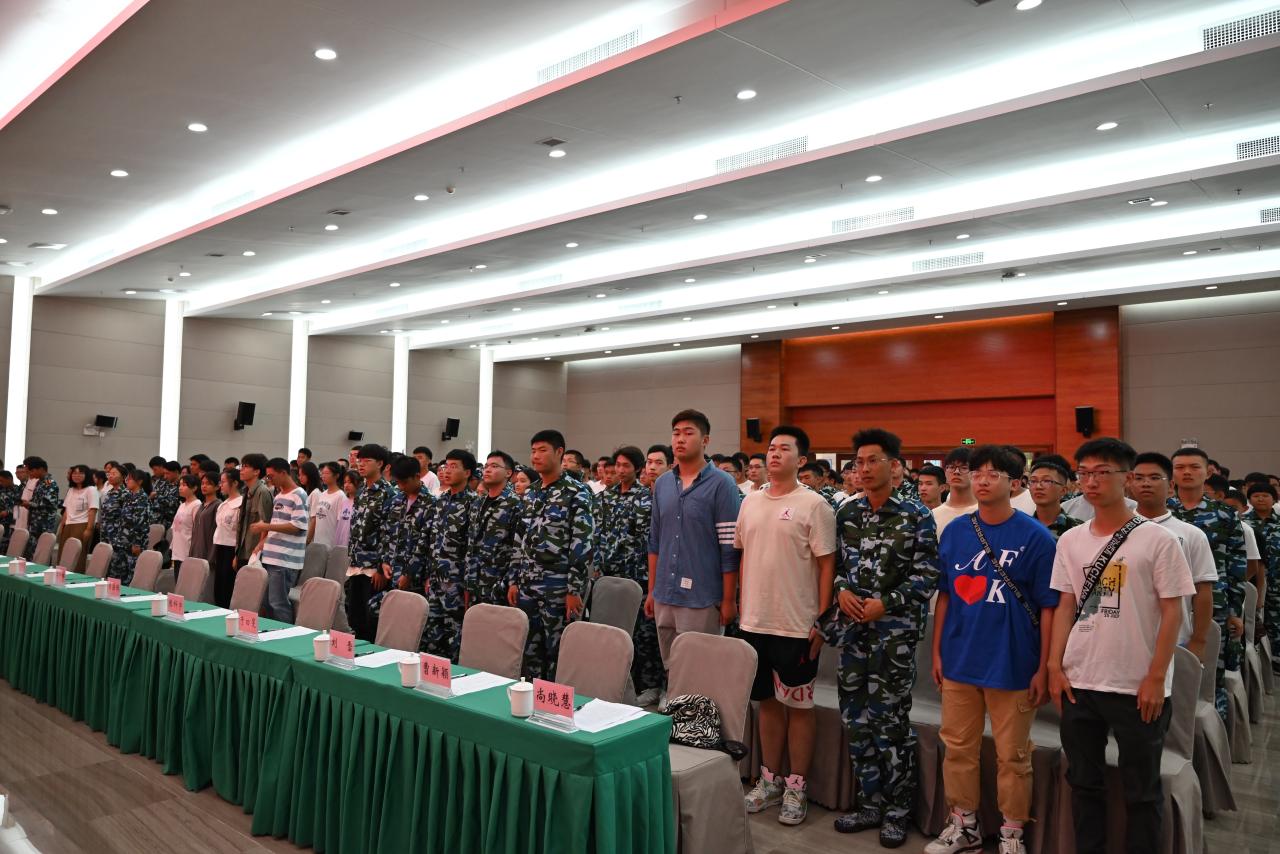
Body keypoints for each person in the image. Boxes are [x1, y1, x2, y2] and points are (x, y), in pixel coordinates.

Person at [1047, 438, 1193, 854]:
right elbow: (1065, 605)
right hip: (1081, 680)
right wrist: (1055, 666)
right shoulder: (1070, 540)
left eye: (1102, 473)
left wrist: (1156, 677)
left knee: (1141, 790)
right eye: (1084, 473)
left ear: (1126, 478)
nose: (1091, 482)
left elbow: (1173, 612)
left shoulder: (1158, 540)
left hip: (1136, 684)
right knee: (1083, 783)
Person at [927, 445, 1057, 854]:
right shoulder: (956, 531)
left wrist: (1044, 667)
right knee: (958, 749)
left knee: (1013, 756)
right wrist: (937, 652)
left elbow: (1049, 608)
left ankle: (1011, 833)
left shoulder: (1037, 537)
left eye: (993, 474)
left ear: (1015, 484)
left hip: (1013, 663)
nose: (982, 480)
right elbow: (946, 595)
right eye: (977, 472)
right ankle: (963, 824)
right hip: (960, 660)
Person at [831, 428, 939, 848]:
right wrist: (842, 589)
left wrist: (888, 602)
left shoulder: (916, 515)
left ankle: (898, 810)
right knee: (855, 721)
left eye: (872, 460)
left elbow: (927, 575)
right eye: (858, 462)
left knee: (890, 723)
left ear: (894, 466)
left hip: (894, 637)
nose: (863, 469)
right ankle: (869, 803)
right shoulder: (848, 513)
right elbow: (839, 564)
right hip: (853, 632)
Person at [738, 425, 835, 827]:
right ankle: (770, 780)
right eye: (771, 448)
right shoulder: (750, 502)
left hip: (797, 625)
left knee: (799, 706)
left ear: (801, 459)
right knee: (767, 703)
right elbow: (743, 555)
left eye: (784, 449)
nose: (774, 454)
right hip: (754, 621)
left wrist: (822, 620)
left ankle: (797, 785)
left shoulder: (815, 505)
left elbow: (827, 565)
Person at [645, 410, 741, 671]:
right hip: (665, 593)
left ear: (705, 440)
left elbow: (730, 547)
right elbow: (655, 541)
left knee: (701, 671)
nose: (680, 439)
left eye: (688, 433)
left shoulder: (722, 484)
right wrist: (652, 590)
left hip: (702, 596)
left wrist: (729, 599)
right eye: (676, 433)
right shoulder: (663, 483)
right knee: (672, 668)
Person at [508, 430, 596, 679]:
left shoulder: (577, 492)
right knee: (530, 650)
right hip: (528, 585)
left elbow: (582, 542)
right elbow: (520, 538)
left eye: (542, 450)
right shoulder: (531, 492)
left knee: (558, 651)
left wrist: (574, 589)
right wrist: (514, 579)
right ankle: (532, 695)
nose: (535, 456)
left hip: (558, 588)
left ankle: (555, 699)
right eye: (533, 451)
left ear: (559, 452)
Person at [1168, 446, 1245, 720]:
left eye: (1194, 467)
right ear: (1172, 474)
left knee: (1211, 672)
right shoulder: (1163, 512)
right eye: (1180, 467)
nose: (1187, 472)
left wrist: (1236, 610)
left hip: (1215, 603)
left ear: (1207, 472)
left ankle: (1212, 731)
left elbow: (1236, 564)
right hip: (1169, 602)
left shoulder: (1225, 514)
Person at [597, 445, 662, 704]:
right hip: (610, 575)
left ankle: (649, 684)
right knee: (613, 629)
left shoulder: (647, 498)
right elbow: (597, 533)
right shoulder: (605, 497)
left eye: (626, 466)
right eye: (618, 465)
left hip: (638, 575)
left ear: (637, 468)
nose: (621, 470)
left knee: (642, 634)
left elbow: (649, 540)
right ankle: (615, 681)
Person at [425, 449, 477, 660]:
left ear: (468, 473)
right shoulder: (441, 500)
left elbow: (472, 548)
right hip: (436, 579)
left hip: (456, 582)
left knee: (455, 636)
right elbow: (433, 540)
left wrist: (468, 585)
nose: (447, 470)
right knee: (432, 634)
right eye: (446, 466)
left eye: (454, 466)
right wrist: (429, 574)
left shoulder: (474, 503)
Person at [346, 444, 396, 641]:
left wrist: (381, 567)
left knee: (371, 619)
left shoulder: (388, 493)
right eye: (360, 461)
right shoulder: (361, 491)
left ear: (380, 464)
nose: (361, 465)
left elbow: (389, 533)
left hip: (374, 568)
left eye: (367, 461)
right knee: (354, 616)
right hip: (356, 565)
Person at [250, 458, 309, 623]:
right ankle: (271, 633)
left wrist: (265, 526)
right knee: (266, 603)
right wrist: (262, 543)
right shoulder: (279, 496)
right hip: (271, 556)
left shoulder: (299, 495)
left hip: (285, 559)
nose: (269, 480)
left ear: (283, 473)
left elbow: (297, 526)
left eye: (271, 476)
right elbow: (276, 525)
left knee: (278, 603)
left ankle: (284, 635)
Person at [466, 450, 522, 607]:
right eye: (486, 466)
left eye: (494, 466)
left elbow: (518, 548)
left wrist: (512, 582)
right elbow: (471, 545)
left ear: (508, 473)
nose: (488, 470)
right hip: (474, 582)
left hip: (499, 585)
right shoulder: (477, 503)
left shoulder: (515, 504)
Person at [383, 453, 433, 606]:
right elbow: (387, 532)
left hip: (415, 576)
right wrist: (385, 561)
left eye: (404, 482)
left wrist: (409, 574)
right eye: (397, 482)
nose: (401, 487)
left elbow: (424, 544)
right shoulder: (397, 500)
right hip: (392, 570)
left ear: (417, 476)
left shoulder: (431, 503)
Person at [1242, 483, 1279, 655]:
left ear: (1274, 499)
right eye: (1256, 496)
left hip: (1277, 581)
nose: (1261, 499)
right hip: (1253, 580)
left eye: (1265, 495)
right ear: (1249, 500)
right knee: (1254, 622)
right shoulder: (1243, 523)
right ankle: (1257, 658)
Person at [105, 468, 151, 584]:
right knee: (117, 573)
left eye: (130, 479)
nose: (127, 481)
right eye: (127, 479)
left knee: (131, 575)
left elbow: (141, 524)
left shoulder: (142, 498)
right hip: (122, 541)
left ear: (139, 481)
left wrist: (137, 543)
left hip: (133, 544)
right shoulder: (129, 497)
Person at [1027, 457, 1082, 540]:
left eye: (1047, 481)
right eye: (1033, 481)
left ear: (1063, 490)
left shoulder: (1078, 529)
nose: (1038, 486)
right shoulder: (1022, 526)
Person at [237, 454, 275, 570]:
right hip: (243, 550)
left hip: (254, 553)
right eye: (242, 466)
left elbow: (266, 524)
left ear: (256, 472)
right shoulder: (246, 491)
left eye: (245, 466)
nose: (241, 469)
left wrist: (257, 550)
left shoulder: (262, 492)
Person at [58, 465, 98, 572]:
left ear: (87, 475)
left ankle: (76, 576)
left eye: (80, 473)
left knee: (77, 555)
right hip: (68, 524)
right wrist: (62, 526)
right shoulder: (71, 490)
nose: (76, 475)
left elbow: (93, 510)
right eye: (74, 473)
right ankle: (61, 576)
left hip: (82, 525)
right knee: (64, 553)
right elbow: (66, 510)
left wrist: (89, 529)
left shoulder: (91, 490)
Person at [212, 470, 243, 607]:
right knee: (218, 584)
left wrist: (237, 554)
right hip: (220, 546)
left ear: (235, 483)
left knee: (228, 585)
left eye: (223, 482)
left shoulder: (241, 503)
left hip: (232, 549)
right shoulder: (223, 504)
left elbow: (240, 532)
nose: (221, 485)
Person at [932, 448, 978, 538]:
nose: (956, 472)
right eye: (951, 467)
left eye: (964, 468)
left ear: (975, 473)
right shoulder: (933, 514)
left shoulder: (984, 512)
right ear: (945, 472)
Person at [19, 457, 60, 559]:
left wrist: (29, 504)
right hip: (35, 524)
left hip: (44, 524)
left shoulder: (50, 483)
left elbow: (48, 503)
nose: (29, 474)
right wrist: (28, 504)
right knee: (32, 553)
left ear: (41, 469)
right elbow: (36, 501)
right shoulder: (39, 482)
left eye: (31, 471)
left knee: (43, 554)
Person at [308, 462, 347, 547]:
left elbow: (341, 524)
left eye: (327, 473)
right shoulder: (322, 494)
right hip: (318, 541)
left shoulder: (340, 496)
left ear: (336, 475)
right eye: (322, 473)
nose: (323, 476)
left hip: (330, 543)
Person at [170, 474, 201, 577]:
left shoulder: (196, 505)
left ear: (194, 488)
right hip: (177, 551)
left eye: (184, 485)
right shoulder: (182, 505)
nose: (180, 488)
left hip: (187, 551)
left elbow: (197, 531)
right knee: (177, 581)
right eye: (179, 485)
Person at [189, 470, 221, 565]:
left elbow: (216, 532)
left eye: (208, 484)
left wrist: (211, 556)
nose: (204, 486)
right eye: (202, 483)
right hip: (196, 550)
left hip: (208, 552)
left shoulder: (218, 505)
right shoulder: (201, 505)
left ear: (217, 486)